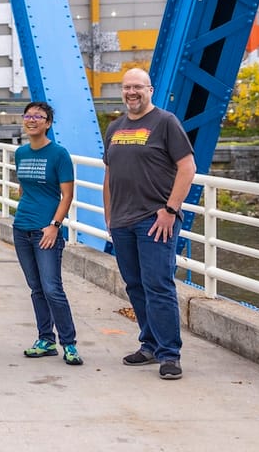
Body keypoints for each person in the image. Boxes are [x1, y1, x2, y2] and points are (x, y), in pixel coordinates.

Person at [104, 67, 196, 381]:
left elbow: (187, 167)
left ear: (150, 90)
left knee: (158, 286)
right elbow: (109, 175)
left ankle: (170, 354)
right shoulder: (115, 127)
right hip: (122, 221)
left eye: (138, 87)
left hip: (155, 220)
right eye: (127, 87)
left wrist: (170, 209)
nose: (132, 93)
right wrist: (109, 216)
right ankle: (150, 344)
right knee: (135, 285)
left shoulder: (166, 122)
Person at [12, 100, 82, 366]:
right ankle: (45, 339)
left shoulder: (59, 154)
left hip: (46, 230)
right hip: (22, 228)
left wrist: (54, 225)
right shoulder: (21, 153)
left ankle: (70, 343)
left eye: (38, 117)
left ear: (48, 123)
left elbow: (67, 194)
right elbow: (24, 189)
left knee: (52, 287)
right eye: (28, 116)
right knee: (36, 287)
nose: (31, 120)